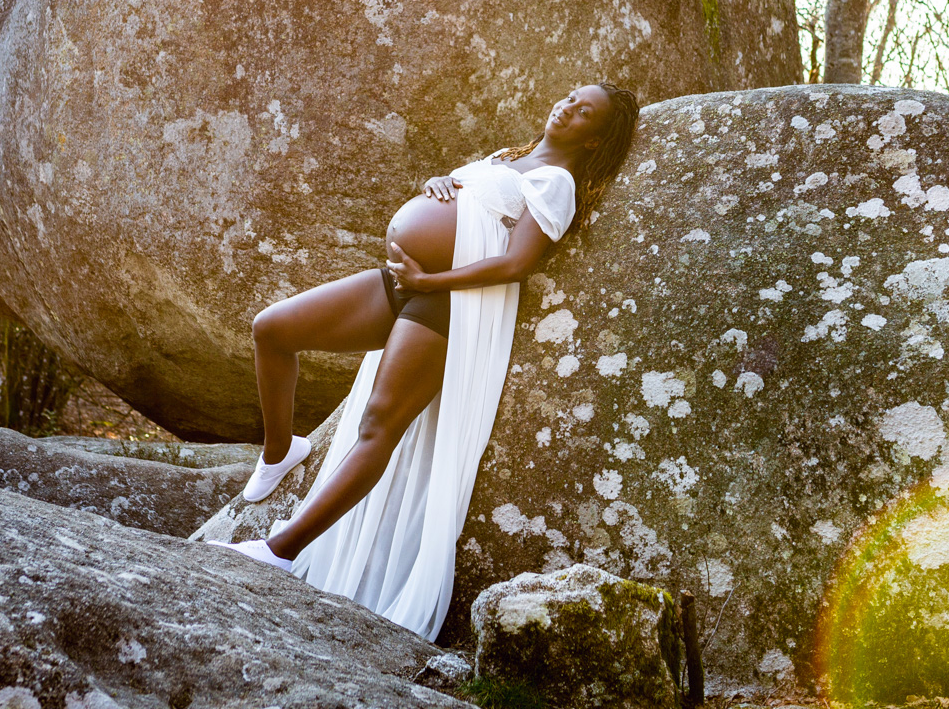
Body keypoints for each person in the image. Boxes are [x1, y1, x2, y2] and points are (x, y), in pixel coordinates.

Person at [208, 82, 640, 640]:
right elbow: (469, 204)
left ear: (594, 139)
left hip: (445, 301)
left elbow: (516, 264)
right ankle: (279, 451)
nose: (568, 107)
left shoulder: (556, 181)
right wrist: (441, 183)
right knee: (273, 329)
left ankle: (279, 550)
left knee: (378, 424)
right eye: (571, 97)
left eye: (584, 113)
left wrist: (430, 280)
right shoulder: (508, 157)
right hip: (403, 283)